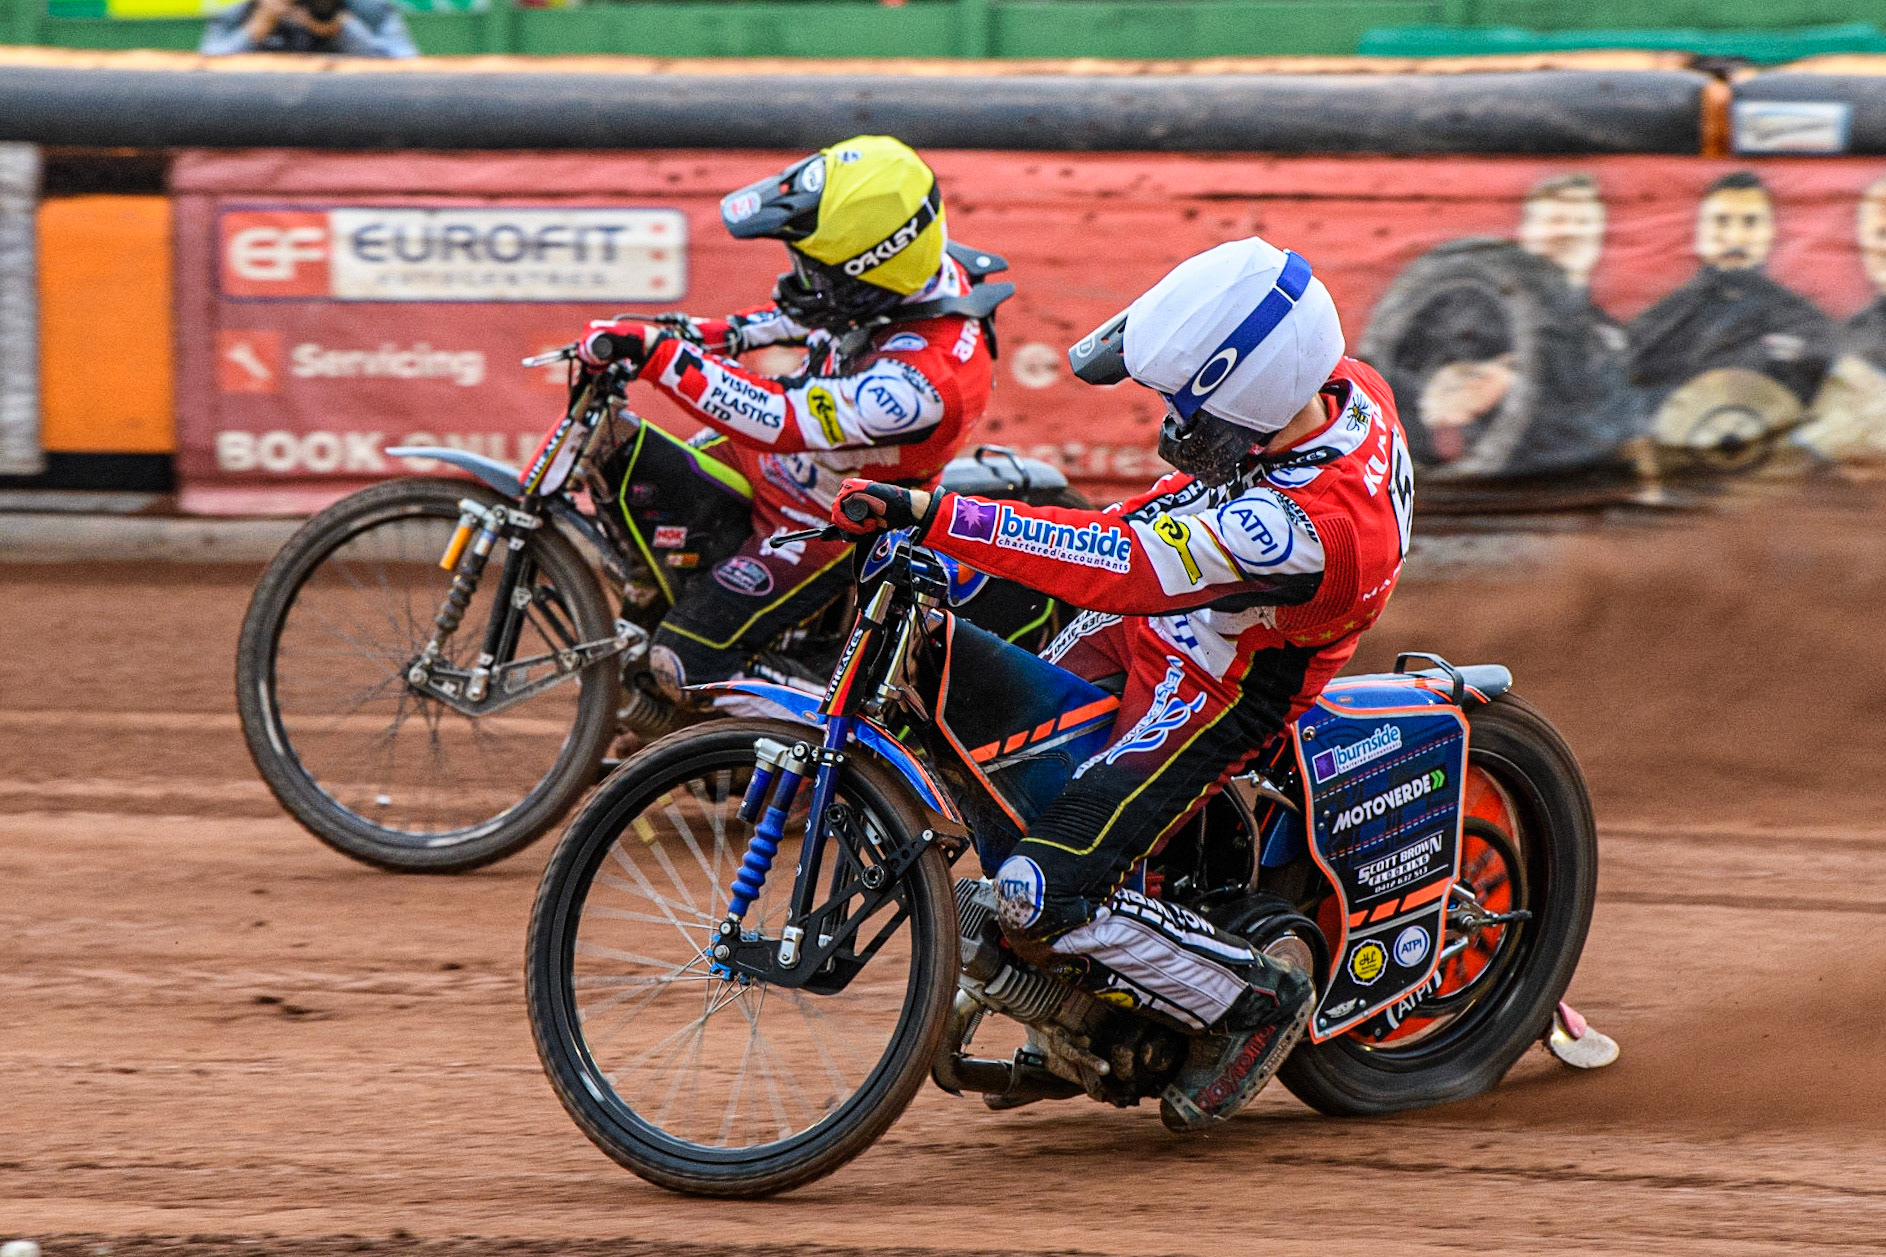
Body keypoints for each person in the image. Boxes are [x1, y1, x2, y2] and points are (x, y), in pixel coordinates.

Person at [827, 237, 1413, 1131]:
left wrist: (936, 512)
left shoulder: (1309, 525)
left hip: (1225, 682)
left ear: (1253, 395)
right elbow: (1145, 538)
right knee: (983, 721)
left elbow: (1122, 566)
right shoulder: (1338, 383)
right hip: (1186, 602)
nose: (1175, 425)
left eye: (1191, 408)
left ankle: (1255, 1002)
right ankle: (1087, 988)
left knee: (1035, 889)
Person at [574, 136, 997, 705]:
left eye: (816, 269)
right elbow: (791, 318)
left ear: (868, 272)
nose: (800, 279)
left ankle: (856, 730)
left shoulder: (919, 383)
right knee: (649, 524)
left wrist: (663, 356)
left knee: (680, 666)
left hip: (821, 523)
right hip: (775, 468)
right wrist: (695, 334)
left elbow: (778, 416)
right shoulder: (908, 280)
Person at [1627, 171, 1833, 410]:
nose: (1735, 237)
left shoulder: (1807, 325)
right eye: (1721, 221)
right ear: (1699, 232)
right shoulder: (1658, 326)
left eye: (1750, 222)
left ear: (1771, 232)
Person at [199, 0, 417, 56]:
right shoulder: (243, 13)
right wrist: (252, 33)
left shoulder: (367, 9)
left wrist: (343, 31)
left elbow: (407, 66)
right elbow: (197, 79)